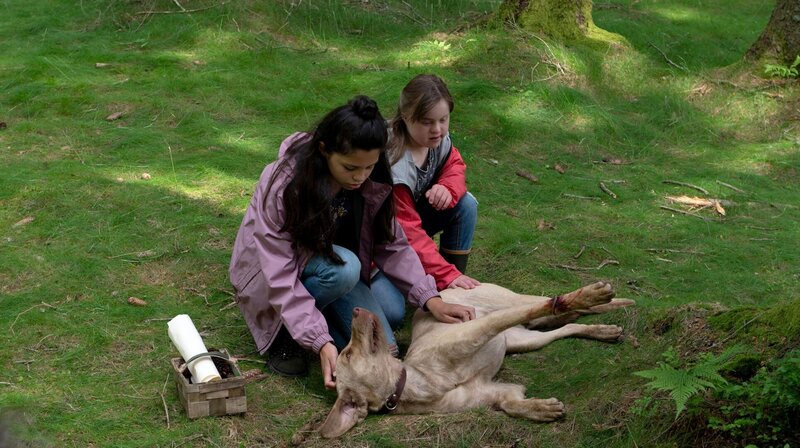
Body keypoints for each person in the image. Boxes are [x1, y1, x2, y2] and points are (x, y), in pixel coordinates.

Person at [229, 95, 475, 390]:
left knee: (391, 329)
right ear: (324, 151)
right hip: (277, 274)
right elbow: (278, 272)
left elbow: (392, 243)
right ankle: (286, 333)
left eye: (368, 168)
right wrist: (320, 342)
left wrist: (429, 297)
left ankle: (316, 318)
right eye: (349, 168)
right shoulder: (285, 185)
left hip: (336, 264)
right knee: (345, 268)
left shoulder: (375, 174)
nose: (360, 177)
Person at [388, 74, 480, 291]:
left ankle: (452, 284)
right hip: (385, 240)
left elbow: (454, 164)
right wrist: (444, 274)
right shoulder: (395, 165)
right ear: (405, 116)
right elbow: (406, 231)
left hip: (411, 222)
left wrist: (447, 187)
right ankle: (445, 276)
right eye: (427, 122)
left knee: (466, 205)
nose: (437, 129)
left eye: (443, 119)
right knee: (393, 311)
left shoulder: (437, 141)